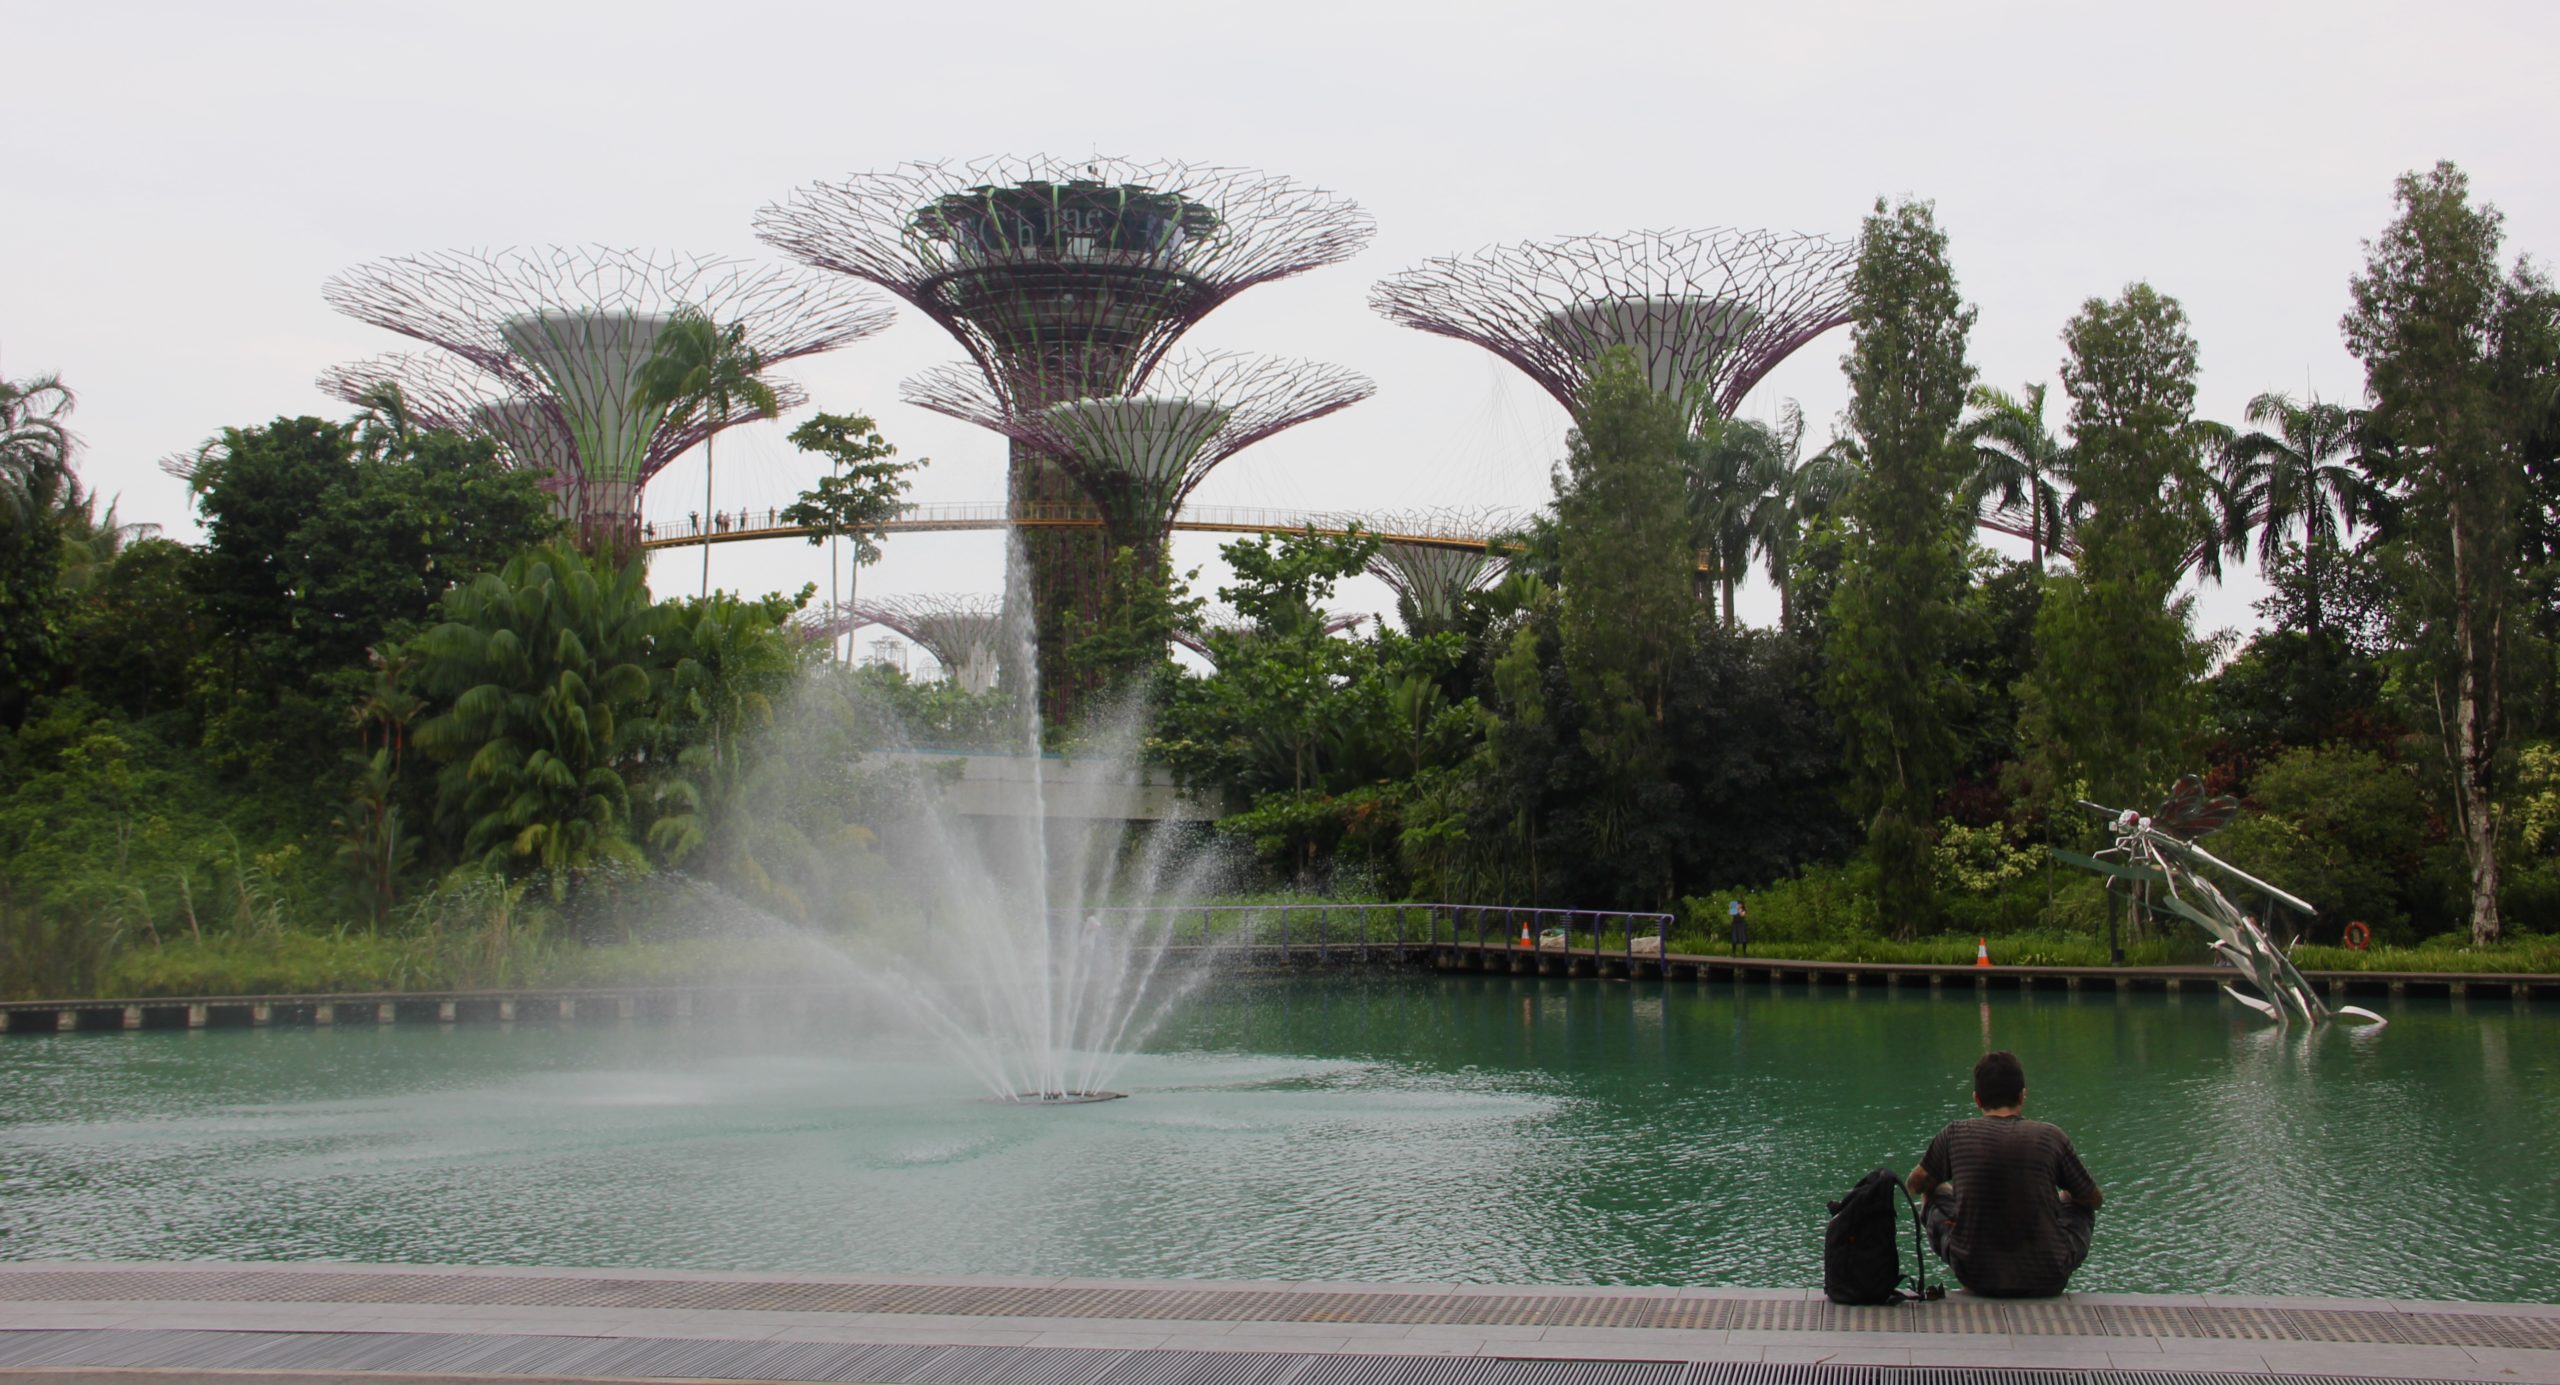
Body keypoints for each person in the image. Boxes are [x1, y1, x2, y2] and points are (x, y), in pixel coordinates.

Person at [1905, 1050, 2102, 1297]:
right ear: (2022, 1096)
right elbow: (2094, 1199)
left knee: (1934, 1190)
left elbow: (1913, 1185)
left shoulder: (1954, 1134)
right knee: (2076, 1197)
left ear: (1977, 1099)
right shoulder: (2051, 1137)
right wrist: (2063, 1201)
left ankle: (1978, 1263)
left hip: (1975, 1275)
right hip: (2048, 1276)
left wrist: (1961, 1204)